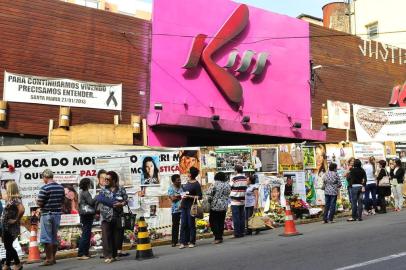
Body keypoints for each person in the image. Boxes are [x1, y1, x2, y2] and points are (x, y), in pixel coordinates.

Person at [96, 171, 128, 263]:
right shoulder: (103, 190)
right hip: (105, 216)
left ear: (114, 180)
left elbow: (126, 200)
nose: (105, 181)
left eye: (108, 179)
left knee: (116, 236)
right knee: (106, 236)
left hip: (117, 215)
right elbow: (99, 200)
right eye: (105, 179)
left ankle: (114, 255)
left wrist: (121, 203)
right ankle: (108, 255)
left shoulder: (121, 189)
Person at [37, 169, 65, 266]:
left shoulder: (44, 188)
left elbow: (40, 203)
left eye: (43, 178)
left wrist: (37, 202)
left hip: (47, 214)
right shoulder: (60, 187)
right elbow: (62, 201)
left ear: (45, 177)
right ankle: (53, 258)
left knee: (46, 238)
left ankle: (49, 259)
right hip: (57, 214)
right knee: (54, 237)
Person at [1, 181, 24, 270]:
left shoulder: (15, 199)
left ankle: (17, 264)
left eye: (6, 188)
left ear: (10, 189)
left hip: (10, 227)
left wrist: (16, 220)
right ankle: (7, 265)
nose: (5, 189)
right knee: (8, 245)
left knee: (8, 246)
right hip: (6, 226)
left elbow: (21, 210)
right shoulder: (11, 199)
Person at [179, 167, 202, 249]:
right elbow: (183, 193)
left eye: (188, 172)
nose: (187, 173)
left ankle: (192, 241)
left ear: (191, 174)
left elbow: (200, 197)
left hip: (191, 207)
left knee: (191, 224)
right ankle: (182, 242)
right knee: (183, 224)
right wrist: (181, 202)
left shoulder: (196, 184)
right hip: (184, 205)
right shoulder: (186, 182)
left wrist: (189, 196)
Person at [208, 172, 231, 244]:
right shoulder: (227, 185)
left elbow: (209, 194)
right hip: (224, 205)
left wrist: (209, 200)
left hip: (215, 206)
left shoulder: (214, 184)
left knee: (213, 221)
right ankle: (220, 237)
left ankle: (217, 237)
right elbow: (228, 193)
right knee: (221, 221)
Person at [77, 178, 96, 260]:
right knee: (86, 233)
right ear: (87, 184)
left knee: (86, 233)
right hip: (87, 214)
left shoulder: (81, 192)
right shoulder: (86, 193)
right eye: (89, 183)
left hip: (84, 214)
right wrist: (97, 197)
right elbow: (91, 202)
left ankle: (85, 252)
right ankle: (82, 253)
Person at [230, 165, 247, 238]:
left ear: (236, 170)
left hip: (235, 200)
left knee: (236, 217)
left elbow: (229, 186)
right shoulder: (245, 178)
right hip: (242, 199)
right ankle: (242, 232)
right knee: (242, 216)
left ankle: (237, 233)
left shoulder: (234, 178)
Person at [168, 174, 183, 247]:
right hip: (175, 210)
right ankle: (174, 241)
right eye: (178, 180)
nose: (179, 181)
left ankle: (183, 240)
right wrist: (181, 196)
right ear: (173, 181)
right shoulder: (171, 188)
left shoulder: (182, 187)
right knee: (175, 226)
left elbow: (185, 195)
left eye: (180, 180)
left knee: (184, 225)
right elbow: (172, 199)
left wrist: (178, 196)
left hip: (183, 209)